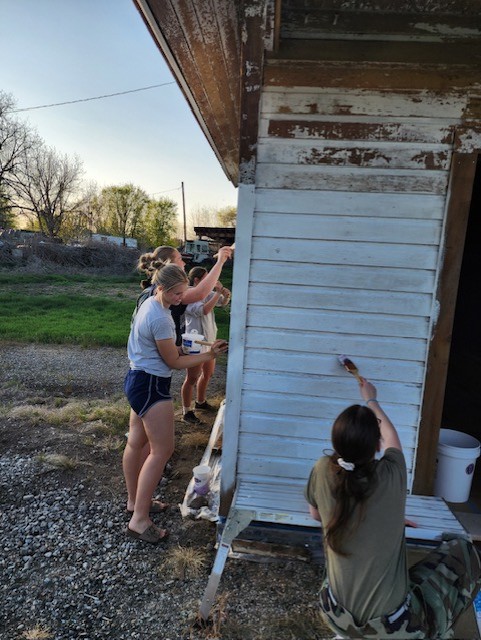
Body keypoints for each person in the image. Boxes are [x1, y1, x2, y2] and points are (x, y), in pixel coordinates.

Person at [305, 378, 481, 639]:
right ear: (376, 445)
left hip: (334, 614)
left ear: (336, 441)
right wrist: (371, 399)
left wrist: (384, 520)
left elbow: (316, 514)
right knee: (464, 551)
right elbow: (392, 437)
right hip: (392, 630)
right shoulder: (391, 473)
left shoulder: (322, 469)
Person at [123, 262, 228, 544]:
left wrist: (187, 347)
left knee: (137, 443)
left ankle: (136, 503)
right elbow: (173, 362)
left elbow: (169, 348)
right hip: (151, 385)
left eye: (184, 292)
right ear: (161, 288)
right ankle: (139, 520)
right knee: (162, 451)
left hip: (138, 378)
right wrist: (209, 355)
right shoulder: (159, 316)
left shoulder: (152, 304)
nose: (182, 298)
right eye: (177, 293)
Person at [133, 245, 232, 344]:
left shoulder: (153, 289)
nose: (184, 263)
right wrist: (220, 262)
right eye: (180, 259)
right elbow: (200, 293)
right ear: (170, 264)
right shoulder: (167, 292)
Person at [180, 266, 231, 424]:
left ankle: (200, 402)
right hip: (195, 343)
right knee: (191, 378)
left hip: (209, 341)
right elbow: (205, 310)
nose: (210, 281)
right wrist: (217, 292)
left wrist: (226, 295)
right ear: (197, 280)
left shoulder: (206, 293)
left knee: (208, 373)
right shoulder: (188, 296)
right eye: (207, 278)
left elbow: (222, 303)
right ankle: (187, 412)